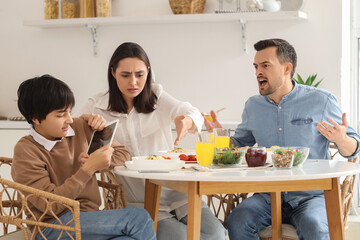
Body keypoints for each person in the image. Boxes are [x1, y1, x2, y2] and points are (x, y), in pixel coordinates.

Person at [203, 38, 360, 240]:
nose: (258, 72)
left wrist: (341, 139)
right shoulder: (253, 106)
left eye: (265, 65)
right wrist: (218, 135)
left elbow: (354, 148)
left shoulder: (321, 101)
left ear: (287, 68)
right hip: (267, 195)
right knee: (238, 221)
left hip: (311, 196)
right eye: (256, 66)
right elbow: (239, 143)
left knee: (315, 226)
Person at [79, 42, 226, 240]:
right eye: (125, 75)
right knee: (184, 237)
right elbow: (71, 133)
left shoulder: (157, 96)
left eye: (140, 75)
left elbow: (190, 112)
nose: (133, 82)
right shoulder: (97, 106)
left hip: (178, 192)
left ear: (148, 71)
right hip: (140, 201)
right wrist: (86, 122)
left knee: (216, 234)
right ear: (113, 73)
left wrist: (187, 121)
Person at [12, 75, 156, 240]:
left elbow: (124, 155)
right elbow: (49, 206)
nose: (69, 119)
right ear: (36, 118)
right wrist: (88, 169)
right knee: (138, 218)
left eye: (69, 111)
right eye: (60, 115)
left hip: (90, 218)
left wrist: (103, 135)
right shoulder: (26, 150)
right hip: (51, 226)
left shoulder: (80, 126)